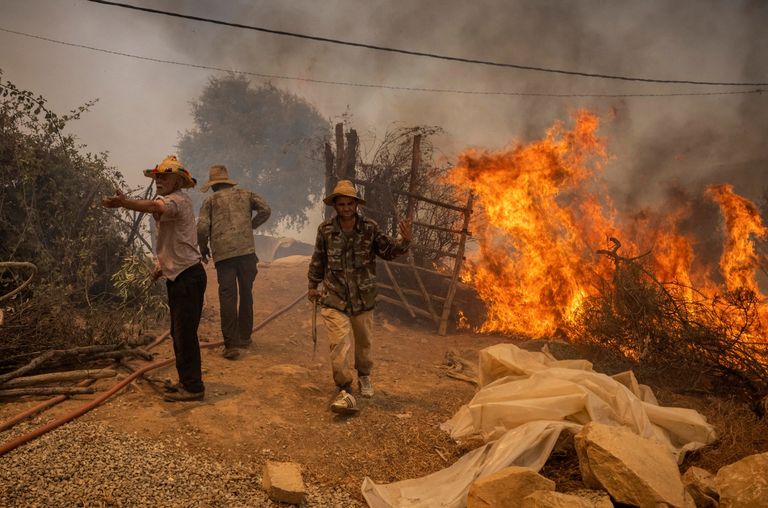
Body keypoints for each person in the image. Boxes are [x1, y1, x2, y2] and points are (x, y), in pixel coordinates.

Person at [102, 155, 206, 402]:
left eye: (164, 176)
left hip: (187, 276)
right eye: (157, 176)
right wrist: (161, 265)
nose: (159, 180)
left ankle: (193, 388)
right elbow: (175, 238)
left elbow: (155, 207)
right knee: (178, 332)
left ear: (178, 181)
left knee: (184, 334)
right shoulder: (173, 201)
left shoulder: (176, 201)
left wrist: (125, 202)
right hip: (181, 274)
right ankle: (186, 382)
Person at [308, 180, 412, 414]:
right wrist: (312, 285)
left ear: (356, 204)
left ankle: (364, 376)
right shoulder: (325, 230)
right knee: (339, 345)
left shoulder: (370, 228)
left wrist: (404, 242)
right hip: (335, 299)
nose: (345, 207)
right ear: (335, 205)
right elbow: (318, 259)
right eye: (341, 203)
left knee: (364, 345)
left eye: (349, 203)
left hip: (363, 300)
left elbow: (388, 251)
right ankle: (344, 387)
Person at [197, 164, 271, 360]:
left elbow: (203, 228)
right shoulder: (246, 194)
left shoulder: (210, 201)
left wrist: (203, 249)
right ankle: (245, 337)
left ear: (213, 185)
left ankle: (231, 345)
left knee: (228, 297)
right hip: (247, 253)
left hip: (224, 257)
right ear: (227, 181)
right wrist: (250, 226)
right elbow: (265, 209)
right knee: (246, 293)